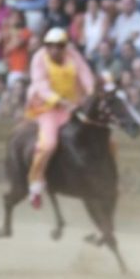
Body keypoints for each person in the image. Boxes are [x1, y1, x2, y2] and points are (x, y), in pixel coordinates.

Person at [24, 28, 95, 208]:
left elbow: (85, 73)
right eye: (50, 46)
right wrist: (60, 101)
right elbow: (41, 85)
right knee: (48, 144)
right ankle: (35, 184)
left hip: (73, 105)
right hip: (47, 107)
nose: (55, 49)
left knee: (99, 135)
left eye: (59, 46)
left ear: (65, 46)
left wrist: (91, 93)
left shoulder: (73, 54)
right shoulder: (39, 58)